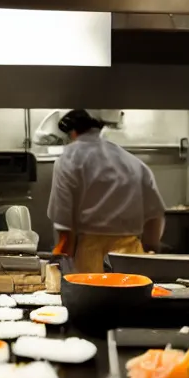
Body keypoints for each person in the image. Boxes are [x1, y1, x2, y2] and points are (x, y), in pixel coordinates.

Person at [47, 109, 167, 273]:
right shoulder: (133, 162)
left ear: (72, 133)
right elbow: (155, 218)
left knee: (94, 298)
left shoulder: (68, 159)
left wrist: (58, 261)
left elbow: (65, 228)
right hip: (131, 259)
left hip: (90, 261)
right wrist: (149, 250)